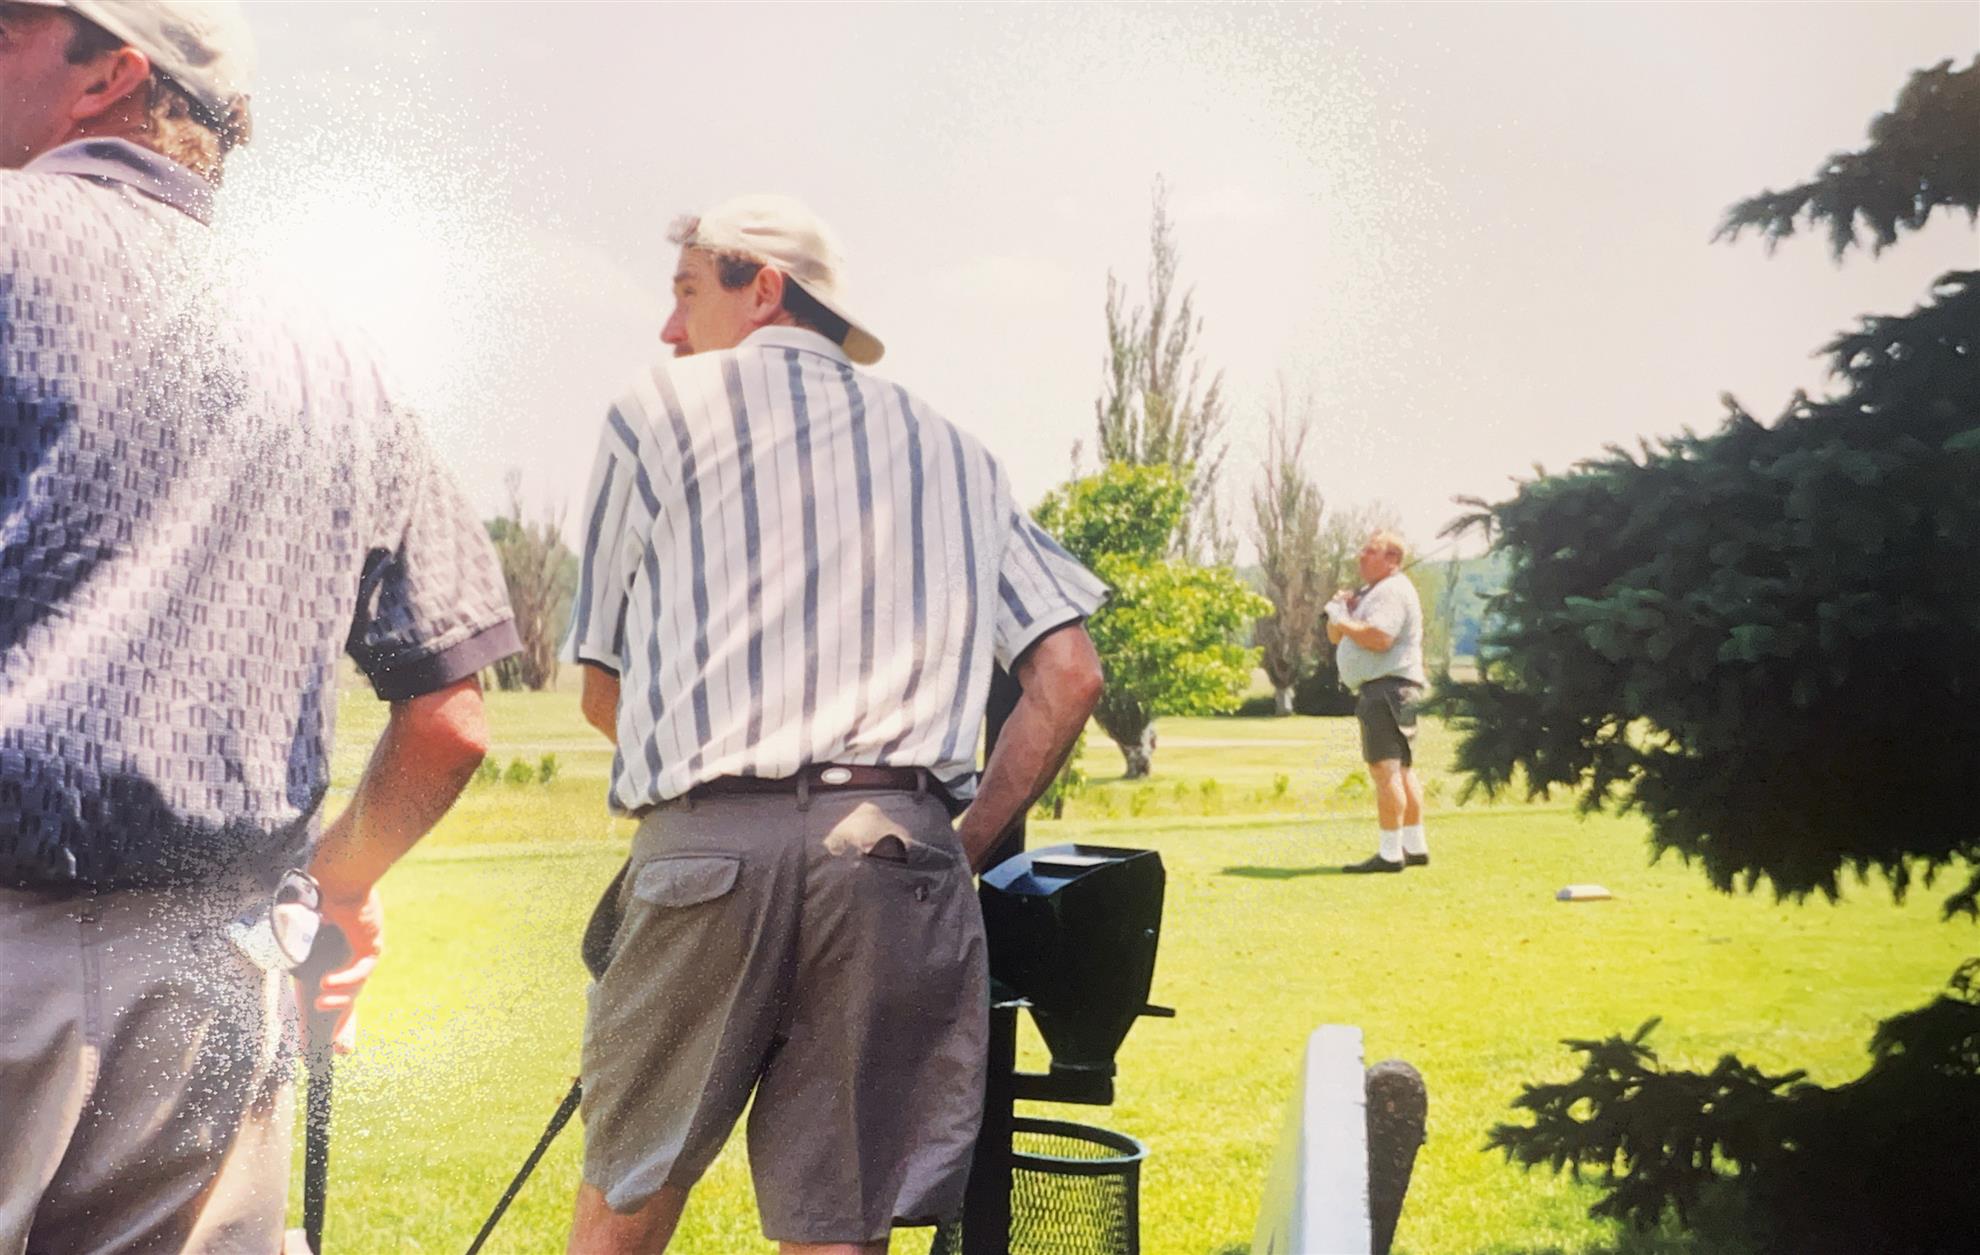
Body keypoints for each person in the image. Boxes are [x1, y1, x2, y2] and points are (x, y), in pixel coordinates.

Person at [0, 2, 521, 1250]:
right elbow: (450, 720)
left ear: (111, 76)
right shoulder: (337, 342)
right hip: (222, 970)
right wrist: (335, 883)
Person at [566, 194, 1107, 1255]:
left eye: (686, 293)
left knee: (623, 1205)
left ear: (762, 289)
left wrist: (707, 802)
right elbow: (1070, 673)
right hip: (896, 858)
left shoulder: (656, 408)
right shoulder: (960, 451)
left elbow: (600, 683)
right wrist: (960, 842)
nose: (670, 328)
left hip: (707, 848)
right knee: (838, 1228)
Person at [1326, 531, 1430, 873]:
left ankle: (1390, 854)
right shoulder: (1373, 593)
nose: (1361, 556)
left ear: (1392, 560)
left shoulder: (1391, 591)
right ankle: (1414, 846)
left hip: (1387, 688)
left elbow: (1380, 638)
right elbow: (1336, 636)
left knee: (1385, 771)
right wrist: (1340, 613)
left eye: (1371, 551)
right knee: (1401, 770)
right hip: (1391, 688)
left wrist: (1344, 620)